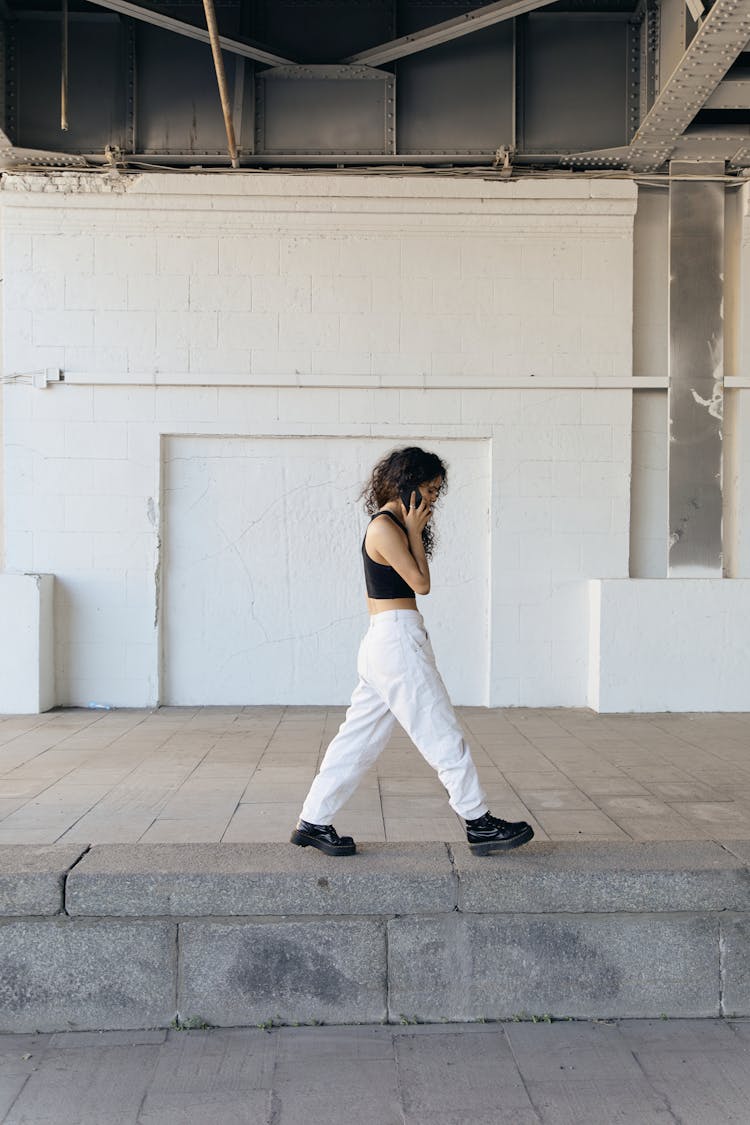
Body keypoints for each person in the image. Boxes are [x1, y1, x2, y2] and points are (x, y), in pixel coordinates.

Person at [290, 446, 533, 858]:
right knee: (440, 730)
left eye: (438, 491)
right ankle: (478, 822)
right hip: (395, 640)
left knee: (357, 740)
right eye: (430, 489)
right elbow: (421, 583)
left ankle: (313, 821)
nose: (434, 499)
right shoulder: (386, 528)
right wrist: (416, 532)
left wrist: (414, 530)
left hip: (387, 642)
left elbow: (420, 582)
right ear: (407, 483)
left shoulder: (394, 525)